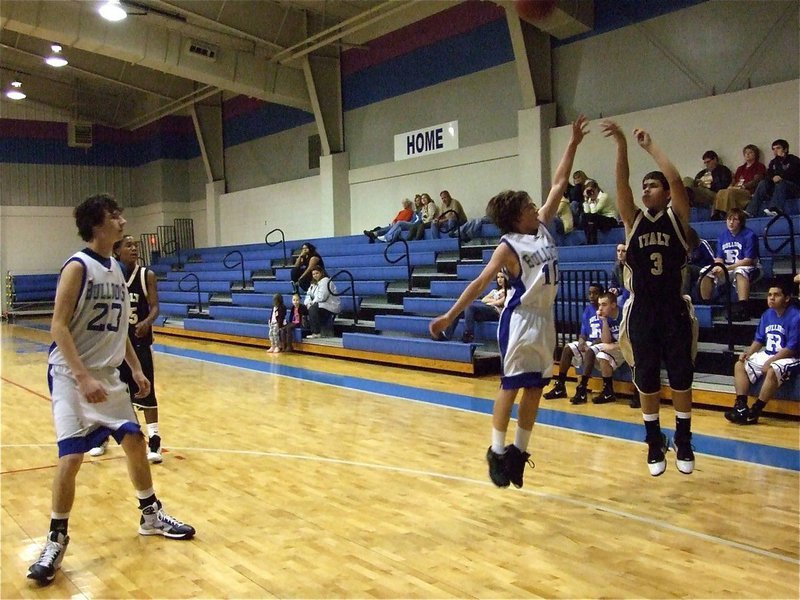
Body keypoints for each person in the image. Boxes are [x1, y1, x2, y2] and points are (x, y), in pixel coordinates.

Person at [28, 195, 194, 587]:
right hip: (71, 375)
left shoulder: (117, 270)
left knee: (135, 441)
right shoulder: (77, 267)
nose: (122, 220)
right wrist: (83, 376)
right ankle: (56, 538)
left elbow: (116, 331)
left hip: (109, 374)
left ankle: (150, 514)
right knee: (71, 458)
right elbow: (57, 327)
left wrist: (135, 369)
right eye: (115, 216)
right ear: (98, 225)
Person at [429, 115, 589, 489]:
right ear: (517, 218)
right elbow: (480, 282)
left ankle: (518, 452)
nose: (537, 207)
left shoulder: (545, 225)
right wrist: (450, 316)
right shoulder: (508, 246)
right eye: (530, 206)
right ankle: (496, 452)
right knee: (511, 385)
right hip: (520, 320)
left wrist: (573, 143)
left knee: (535, 388)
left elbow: (560, 183)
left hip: (545, 319)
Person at [602, 120, 698, 477]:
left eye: (651, 185)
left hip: (673, 308)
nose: (645, 189)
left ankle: (684, 439)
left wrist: (650, 146)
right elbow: (621, 184)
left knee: (682, 378)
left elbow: (675, 179)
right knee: (646, 378)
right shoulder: (633, 220)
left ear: (664, 193)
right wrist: (622, 145)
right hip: (643, 310)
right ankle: (654, 440)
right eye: (644, 185)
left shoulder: (678, 219)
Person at [88, 235, 165, 463]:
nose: (133, 249)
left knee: (147, 393)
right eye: (128, 245)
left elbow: (155, 307)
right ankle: (101, 437)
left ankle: (154, 439)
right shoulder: (112, 276)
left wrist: (147, 322)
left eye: (135, 245)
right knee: (110, 393)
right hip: (114, 345)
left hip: (139, 344)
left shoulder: (146, 275)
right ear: (117, 251)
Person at [725, 280, 799, 425]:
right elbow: (759, 339)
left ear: (787, 298)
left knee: (772, 369)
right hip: (770, 353)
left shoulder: (796, 317)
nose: (771, 298)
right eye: (769, 294)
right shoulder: (767, 314)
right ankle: (741, 407)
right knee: (740, 365)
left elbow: (791, 348)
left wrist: (770, 361)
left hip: (792, 356)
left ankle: (755, 411)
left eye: (776, 295)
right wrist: (748, 353)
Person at [542, 281, 604, 402]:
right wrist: (581, 341)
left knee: (590, 350)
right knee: (567, 348)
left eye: (595, 293)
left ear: (601, 294)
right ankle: (560, 386)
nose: (591, 296)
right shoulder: (588, 310)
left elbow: (611, 333)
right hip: (590, 343)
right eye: (589, 293)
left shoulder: (605, 308)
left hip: (602, 343)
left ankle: (582, 389)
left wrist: (596, 342)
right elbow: (584, 332)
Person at [698, 208, 759, 321]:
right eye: (729, 219)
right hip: (728, 268)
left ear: (740, 221)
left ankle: (743, 306)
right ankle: (706, 304)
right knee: (706, 271)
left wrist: (726, 268)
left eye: (734, 219)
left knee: (740, 271)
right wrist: (717, 266)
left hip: (750, 267)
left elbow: (748, 260)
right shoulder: (722, 236)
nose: (731, 222)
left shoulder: (750, 235)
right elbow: (719, 258)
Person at [442, 271, 508, 343]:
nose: (500, 279)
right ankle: (447, 334)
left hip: (496, 312)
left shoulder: (508, 291)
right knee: (460, 310)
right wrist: (495, 300)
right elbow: (484, 300)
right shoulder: (494, 291)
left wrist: (491, 302)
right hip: (486, 311)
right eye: (498, 277)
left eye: (502, 277)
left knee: (470, 307)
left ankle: (469, 334)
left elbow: (500, 302)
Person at [746, 139, 800, 216]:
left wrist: (781, 177)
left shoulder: (793, 159)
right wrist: (773, 177)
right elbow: (769, 174)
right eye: (773, 149)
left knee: (781, 183)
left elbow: (793, 173)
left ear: (785, 149)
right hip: (778, 188)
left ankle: (775, 209)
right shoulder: (773, 162)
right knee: (763, 183)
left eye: (778, 148)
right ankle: (750, 211)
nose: (775, 151)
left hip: (793, 188)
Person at [712, 144, 766, 220]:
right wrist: (731, 185)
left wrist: (744, 186)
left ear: (755, 154)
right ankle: (718, 213)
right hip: (737, 189)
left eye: (750, 152)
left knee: (730, 192)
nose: (747, 154)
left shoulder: (759, 166)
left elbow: (756, 180)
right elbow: (734, 180)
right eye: (746, 153)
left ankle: (730, 214)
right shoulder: (740, 168)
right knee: (721, 191)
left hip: (748, 191)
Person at [591, 292, 626, 405]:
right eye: (599, 305)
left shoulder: (624, 315)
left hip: (632, 346)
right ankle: (608, 391)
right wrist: (604, 321)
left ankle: (638, 392)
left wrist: (614, 346)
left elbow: (631, 340)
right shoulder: (606, 318)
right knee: (602, 355)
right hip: (620, 347)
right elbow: (606, 341)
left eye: (604, 304)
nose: (600, 308)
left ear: (613, 305)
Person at [304, 266, 341, 338]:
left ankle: (316, 332)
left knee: (313, 307)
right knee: (302, 308)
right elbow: (308, 295)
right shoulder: (313, 284)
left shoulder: (326, 281)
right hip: (320, 305)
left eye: (317, 273)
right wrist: (308, 303)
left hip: (330, 305)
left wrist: (312, 303)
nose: (315, 275)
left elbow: (322, 297)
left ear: (321, 273)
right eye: (313, 274)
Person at [581, 179, 618, 244]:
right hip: (597, 220)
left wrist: (592, 201)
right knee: (584, 216)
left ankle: (592, 242)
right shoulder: (590, 199)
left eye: (591, 190)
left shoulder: (604, 196)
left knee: (592, 217)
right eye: (588, 191)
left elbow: (596, 211)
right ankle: (589, 241)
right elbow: (587, 213)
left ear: (596, 189)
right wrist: (586, 200)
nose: (591, 192)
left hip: (610, 220)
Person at [684, 227, 715, 299]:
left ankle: (685, 296)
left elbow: (712, 260)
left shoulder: (702, 244)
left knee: (687, 268)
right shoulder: (684, 247)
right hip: (691, 270)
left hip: (704, 269)